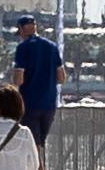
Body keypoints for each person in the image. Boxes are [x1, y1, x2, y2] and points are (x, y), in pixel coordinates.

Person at [7, 12, 63, 151]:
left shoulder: (23, 48)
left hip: (30, 104)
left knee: (32, 148)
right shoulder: (52, 47)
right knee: (39, 145)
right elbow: (61, 77)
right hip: (50, 104)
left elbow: (18, 79)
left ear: (21, 29)